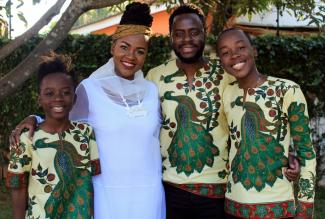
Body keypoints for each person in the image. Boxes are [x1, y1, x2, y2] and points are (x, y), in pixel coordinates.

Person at [9, 2, 165, 219]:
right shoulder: (90, 89)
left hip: (148, 194)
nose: (131, 56)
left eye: (140, 51)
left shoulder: (151, 91)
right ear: (112, 47)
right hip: (105, 195)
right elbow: (62, 121)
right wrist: (34, 119)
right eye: (124, 47)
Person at [146, 4, 300, 219]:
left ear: (204, 33)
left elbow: (257, 108)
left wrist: (287, 150)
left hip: (218, 191)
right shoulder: (154, 76)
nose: (187, 39)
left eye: (194, 32)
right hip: (170, 189)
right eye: (179, 34)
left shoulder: (227, 72)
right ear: (171, 36)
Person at [216, 28, 316, 218]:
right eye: (225, 53)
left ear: (254, 50)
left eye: (240, 47)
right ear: (221, 61)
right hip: (233, 207)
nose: (234, 56)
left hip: (278, 208)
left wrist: (305, 208)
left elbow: (307, 152)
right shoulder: (226, 94)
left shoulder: (287, 90)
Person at [6, 52, 101, 219]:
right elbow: (18, 186)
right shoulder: (26, 137)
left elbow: (92, 179)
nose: (58, 98)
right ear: (39, 99)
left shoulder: (86, 132)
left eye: (65, 92)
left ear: (75, 97)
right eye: (49, 93)